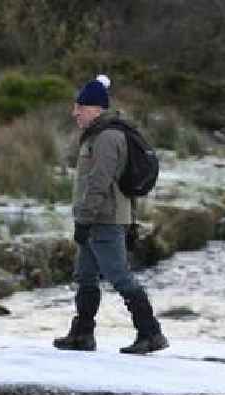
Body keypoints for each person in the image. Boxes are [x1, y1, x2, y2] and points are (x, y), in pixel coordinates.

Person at [53, 75, 169, 355]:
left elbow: (99, 182)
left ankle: (151, 333)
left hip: (103, 220)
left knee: (119, 276)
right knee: (86, 276)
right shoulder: (99, 134)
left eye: (79, 107)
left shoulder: (107, 137)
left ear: (95, 108)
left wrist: (84, 218)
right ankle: (82, 334)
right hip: (97, 219)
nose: (75, 113)